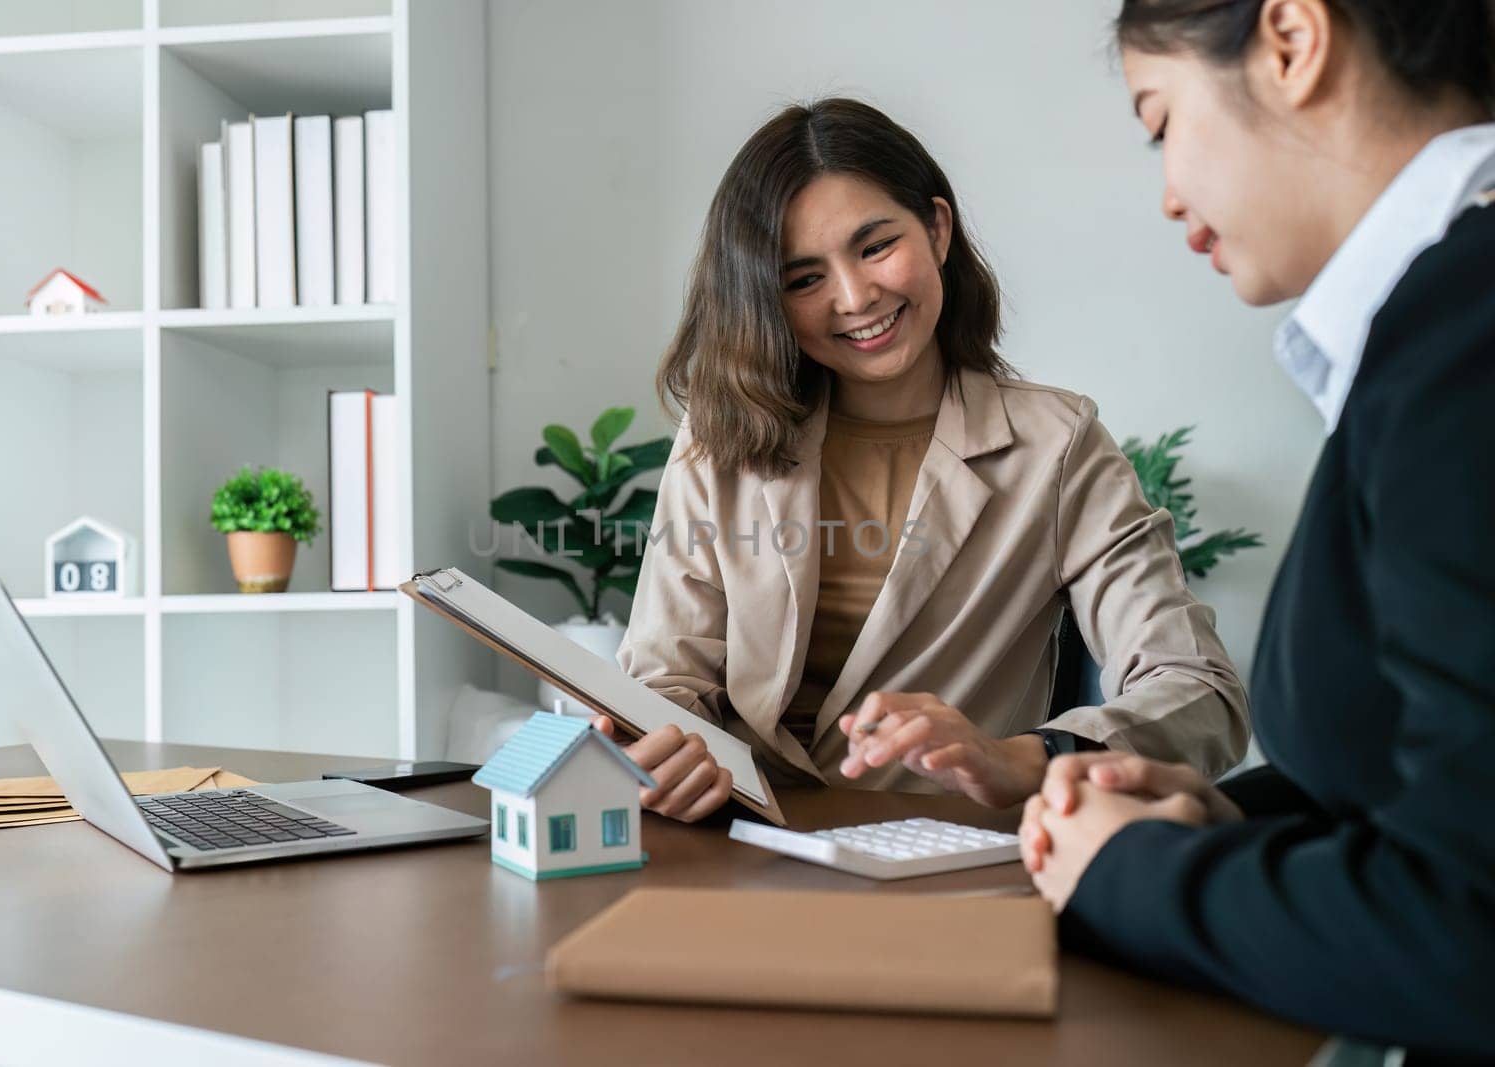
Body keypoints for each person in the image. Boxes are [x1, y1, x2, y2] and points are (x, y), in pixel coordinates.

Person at [1017, 0, 1495, 1058]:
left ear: (1290, 39)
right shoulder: (1435, 324)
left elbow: (1465, 919)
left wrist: (1129, 873)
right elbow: (1425, 784)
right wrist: (1224, 821)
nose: (1166, 194)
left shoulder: (1466, 339)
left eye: (1159, 122)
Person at [597, 98, 1250, 823]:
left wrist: (1021, 756)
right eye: (803, 279)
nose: (854, 296)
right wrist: (666, 745)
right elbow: (666, 681)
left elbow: (1202, 694)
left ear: (937, 228)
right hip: (738, 839)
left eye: (876, 246)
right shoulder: (718, 437)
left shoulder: (1056, 447)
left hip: (941, 852)